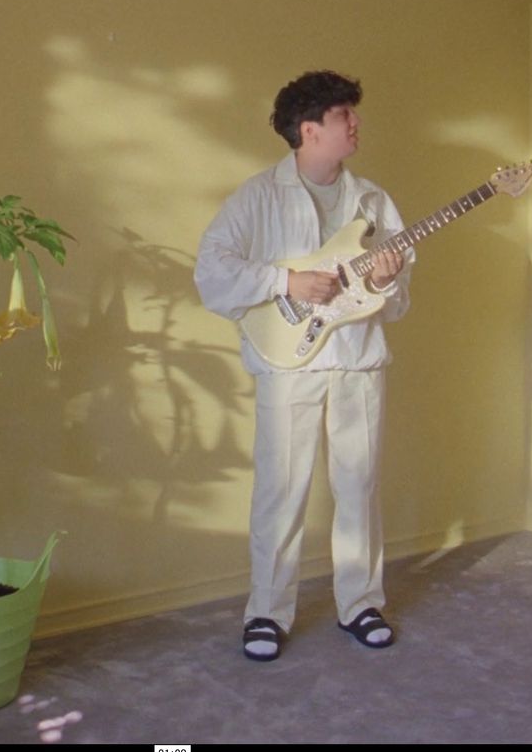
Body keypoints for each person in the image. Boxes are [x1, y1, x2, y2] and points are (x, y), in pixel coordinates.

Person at [195, 70, 411, 660]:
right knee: (280, 489)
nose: (356, 123)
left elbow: (395, 301)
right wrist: (284, 279)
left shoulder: (374, 200)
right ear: (310, 130)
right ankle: (266, 612)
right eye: (345, 116)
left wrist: (390, 279)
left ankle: (361, 602)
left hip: (358, 362)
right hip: (286, 363)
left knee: (359, 487)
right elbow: (211, 275)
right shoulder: (256, 197)